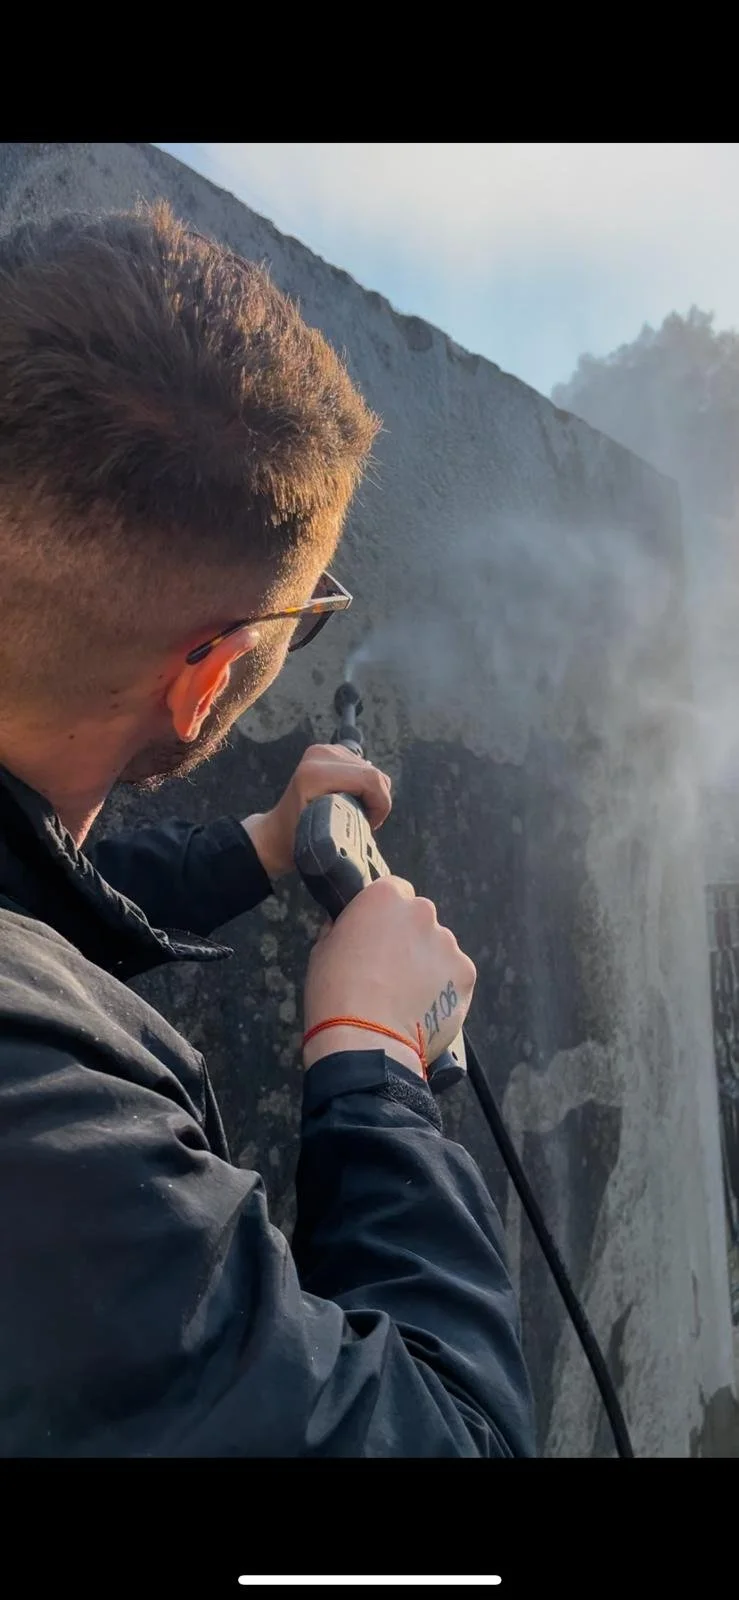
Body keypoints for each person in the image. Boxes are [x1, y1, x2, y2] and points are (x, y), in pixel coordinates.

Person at [0, 201, 535, 1457]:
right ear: (209, 677)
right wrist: (373, 1070)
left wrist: (251, 845)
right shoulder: (49, 1141)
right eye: (306, 616)